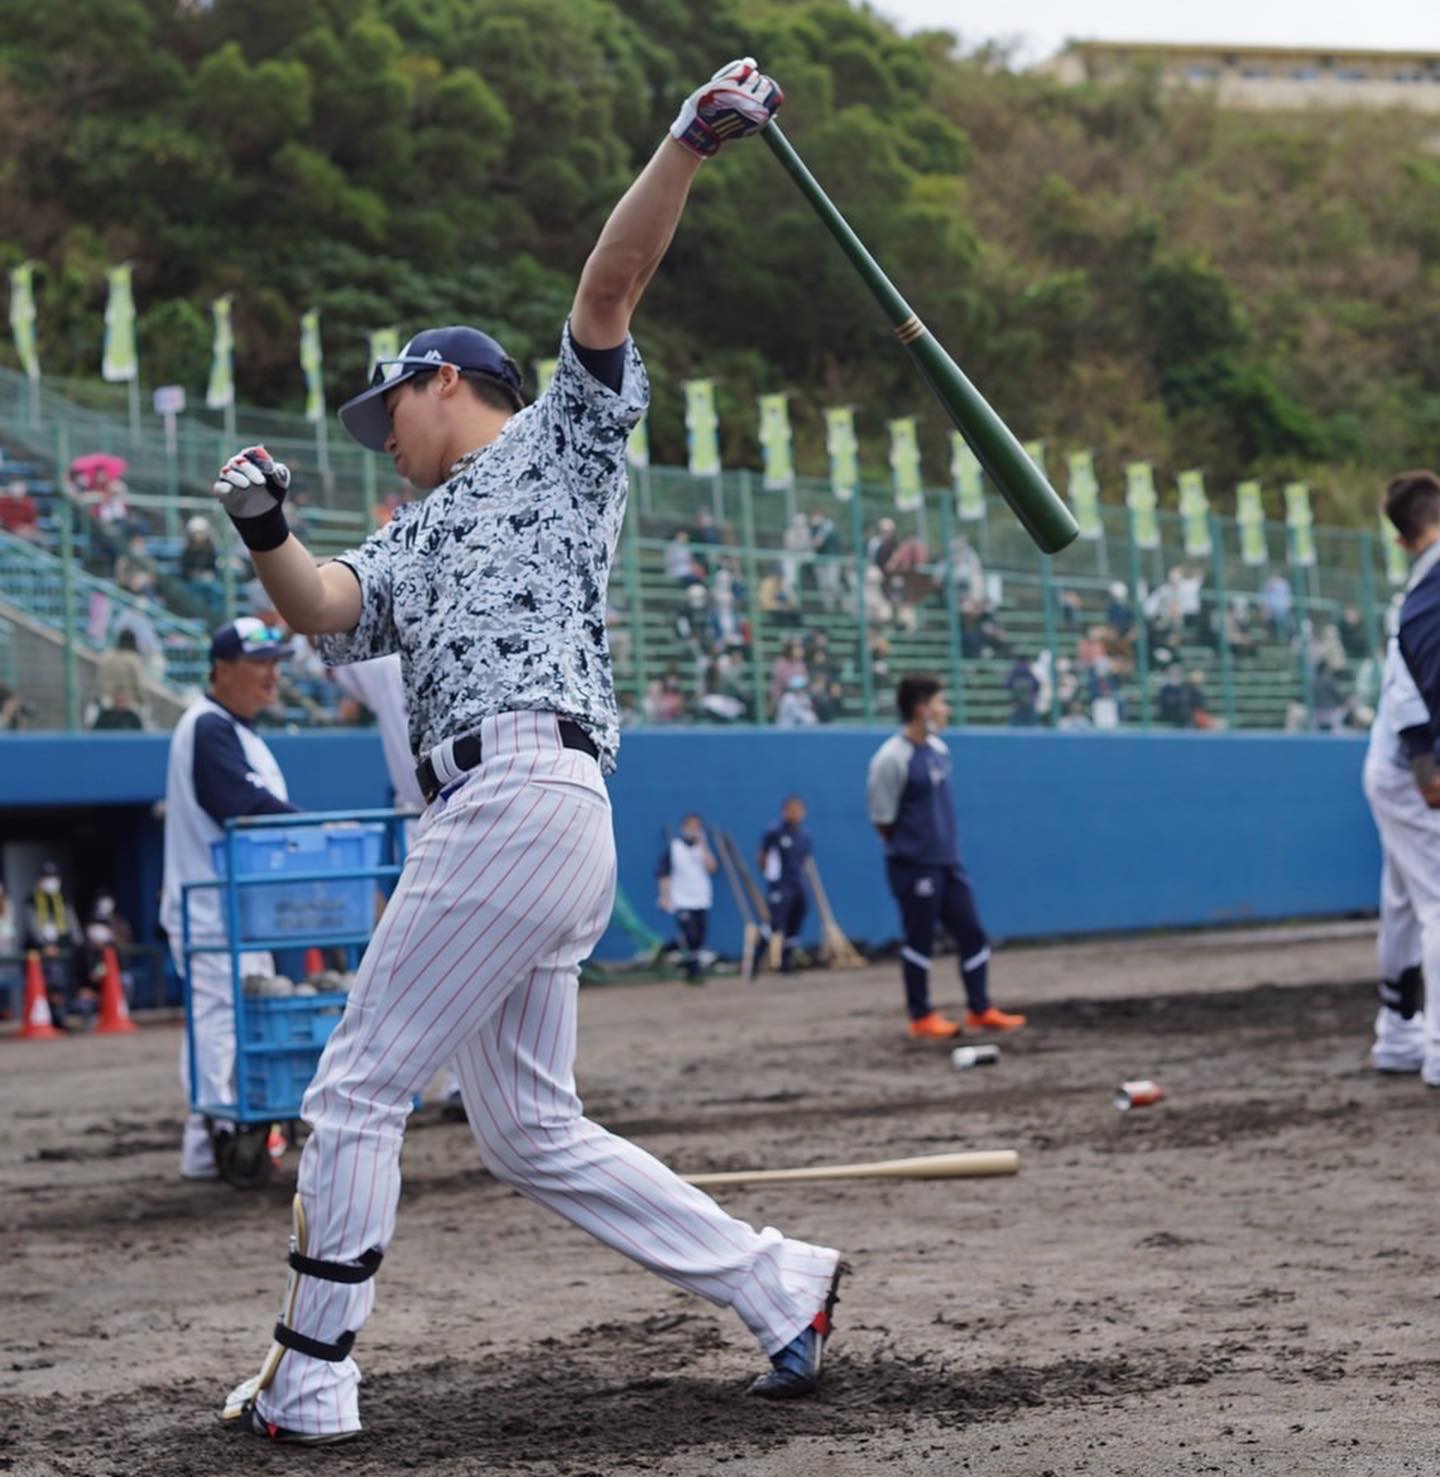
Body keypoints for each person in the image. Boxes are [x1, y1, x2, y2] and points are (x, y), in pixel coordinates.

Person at [207, 58, 841, 1445]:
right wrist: (267, 529)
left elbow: (606, 297)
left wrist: (686, 139)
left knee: (356, 1085)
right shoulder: (415, 535)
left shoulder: (556, 444)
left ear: (448, 383)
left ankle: (314, 1373)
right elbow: (321, 609)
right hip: (504, 809)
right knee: (528, 1130)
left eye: (392, 410)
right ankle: (776, 1279)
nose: (384, 437)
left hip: (519, 787)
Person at [160, 618, 299, 1180]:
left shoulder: (239, 732)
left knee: (244, 1023)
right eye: (259, 663)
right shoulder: (208, 726)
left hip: (242, 911)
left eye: (275, 662)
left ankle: (233, 1138)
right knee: (220, 1025)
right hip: (212, 912)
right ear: (221, 670)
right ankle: (211, 1143)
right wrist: (307, 824)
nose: (272, 674)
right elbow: (237, 803)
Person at [866, 674, 1027, 1040]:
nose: (945, 709)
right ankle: (921, 1015)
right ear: (921, 708)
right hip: (913, 865)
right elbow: (882, 819)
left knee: (972, 932)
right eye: (940, 702)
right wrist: (913, 847)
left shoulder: (939, 751)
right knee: (919, 938)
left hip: (947, 861)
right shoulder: (890, 759)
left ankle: (980, 1007)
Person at [1381, 470, 1440, 1082]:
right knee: (1437, 902)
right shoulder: (1425, 597)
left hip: (1393, 765)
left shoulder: (1412, 594)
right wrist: (1428, 769)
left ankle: (1397, 1036)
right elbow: (1408, 704)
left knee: (1404, 902)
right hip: (1410, 766)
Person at [751, 795, 812, 977]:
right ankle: (755, 961)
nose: (796, 814)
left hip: (798, 885)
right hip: (780, 886)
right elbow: (762, 858)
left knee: (795, 923)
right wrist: (772, 878)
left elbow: (804, 861)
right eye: (792, 810)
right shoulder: (773, 832)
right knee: (774, 924)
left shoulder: (804, 836)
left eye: (799, 810)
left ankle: (786, 963)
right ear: (784, 811)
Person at [656, 813, 717, 984]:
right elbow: (663, 874)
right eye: (690, 826)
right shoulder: (674, 848)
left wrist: (704, 844)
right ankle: (693, 971)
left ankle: (673, 951)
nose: (694, 830)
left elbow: (712, 868)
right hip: (682, 899)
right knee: (689, 935)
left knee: (699, 938)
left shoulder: (702, 849)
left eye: (697, 827)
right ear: (683, 828)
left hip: (702, 899)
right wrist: (664, 897)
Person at [22, 861, 83, 1028]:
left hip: (63, 950)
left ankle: (64, 1017)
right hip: (41, 952)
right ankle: (51, 1018)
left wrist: (77, 945)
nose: (51, 881)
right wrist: (44, 945)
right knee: (48, 984)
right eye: (47, 877)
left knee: (65, 984)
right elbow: (32, 927)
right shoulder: (32, 900)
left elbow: (73, 926)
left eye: (53, 877)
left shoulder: (62, 899)